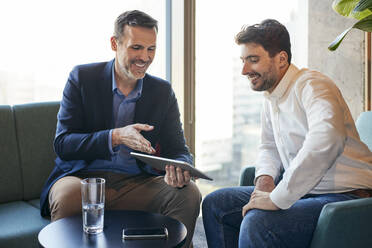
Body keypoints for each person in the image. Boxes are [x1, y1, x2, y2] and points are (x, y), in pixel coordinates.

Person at [202, 19, 372, 248]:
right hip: (305, 192)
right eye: (243, 61)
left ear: (281, 59)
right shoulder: (271, 97)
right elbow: (268, 147)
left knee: (258, 222)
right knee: (216, 203)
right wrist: (265, 180)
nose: (244, 71)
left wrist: (277, 198)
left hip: (346, 196)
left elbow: (327, 139)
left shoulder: (313, 85)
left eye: (253, 60)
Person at [40, 10, 201, 248]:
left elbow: (178, 148)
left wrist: (179, 167)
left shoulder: (161, 92)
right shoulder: (82, 78)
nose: (144, 57)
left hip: (138, 182)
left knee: (189, 193)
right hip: (84, 180)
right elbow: (63, 144)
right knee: (68, 195)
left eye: (151, 49)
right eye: (136, 47)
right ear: (115, 43)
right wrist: (115, 136)